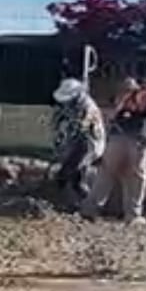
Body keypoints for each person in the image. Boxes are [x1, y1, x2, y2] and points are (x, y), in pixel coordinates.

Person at [82, 74, 146, 225]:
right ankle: (133, 215)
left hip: (116, 138)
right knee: (137, 178)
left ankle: (90, 209)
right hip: (138, 141)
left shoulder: (129, 95)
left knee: (106, 173)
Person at [50, 78, 106, 209]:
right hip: (80, 143)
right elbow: (59, 122)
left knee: (66, 173)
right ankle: (81, 204)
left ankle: (80, 204)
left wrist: (64, 143)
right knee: (76, 180)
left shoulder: (88, 107)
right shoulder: (72, 105)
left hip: (90, 144)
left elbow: (79, 128)